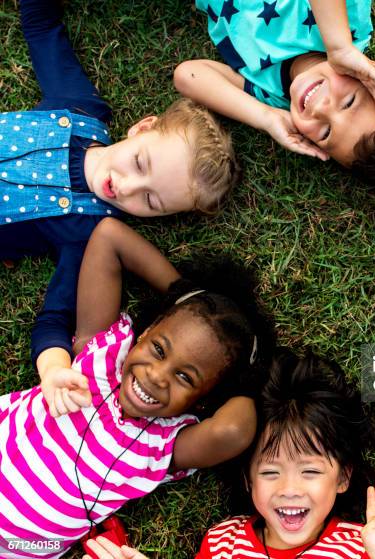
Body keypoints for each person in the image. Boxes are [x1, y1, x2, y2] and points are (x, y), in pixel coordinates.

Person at [0, 218, 275, 558]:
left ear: (203, 402)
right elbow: (109, 237)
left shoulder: (162, 446)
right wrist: (185, 296)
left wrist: (249, 376)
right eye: (159, 349)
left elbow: (234, 430)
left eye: (185, 378)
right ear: (144, 333)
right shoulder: (101, 355)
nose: (157, 376)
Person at [2, 0, 239, 376]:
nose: (126, 187)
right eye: (140, 162)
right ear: (143, 127)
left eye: (150, 200)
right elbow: (43, 30)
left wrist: (54, 370)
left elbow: (55, 319)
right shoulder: (79, 109)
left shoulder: (86, 234)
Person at [83, 350, 375, 559]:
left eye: (309, 471)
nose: (289, 488)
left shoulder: (361, 546)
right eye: (270, 472)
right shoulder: (224, 542)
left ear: (342, 477)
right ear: (248, 478)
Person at [174, 0, 375, 189]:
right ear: (373, 70)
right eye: (349, 102)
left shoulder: (271, 95)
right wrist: (339, 46)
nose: (321, 110)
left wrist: (267, 118)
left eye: (326, 133)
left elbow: (188, 75)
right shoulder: (349, 27)